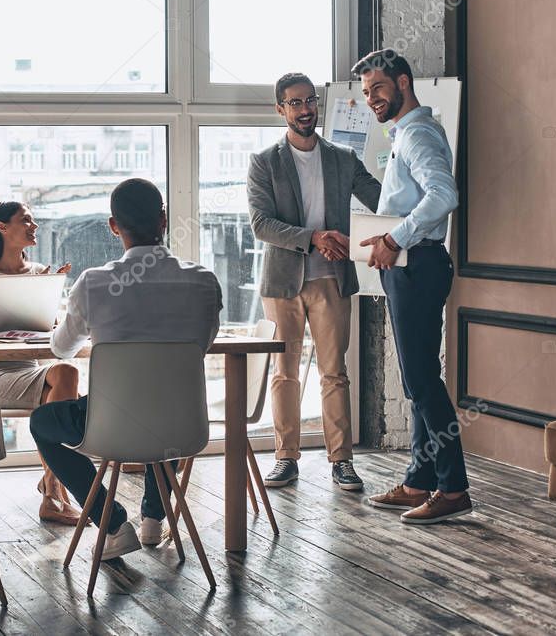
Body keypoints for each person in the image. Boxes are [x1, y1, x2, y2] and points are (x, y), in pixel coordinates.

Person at [29, 178, 222, 560]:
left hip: (109, 422)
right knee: (163, 396)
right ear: (163, 220)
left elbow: (62, 351)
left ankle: (113, 523)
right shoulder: (204, 282)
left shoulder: (94, 283)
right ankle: (153, 517)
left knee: (43, 423)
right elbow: (202, 346)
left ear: (114, 226)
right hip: (183, 422)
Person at [353, 49, 472, 524]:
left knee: (422, 382)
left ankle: (454, 487)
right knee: (416, 379)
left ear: (403, 82)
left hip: (418, 265)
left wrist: (393, 236)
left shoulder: (418, 132)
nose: (372, 99)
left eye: (378, 88)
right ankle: (421, 480)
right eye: (365, 94)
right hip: (411, 267)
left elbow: (445, 195)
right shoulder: (405, 133)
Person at [247, 72, 381, 491]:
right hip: (284, 281)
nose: (306, 110)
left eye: (310, 101)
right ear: (280, 109)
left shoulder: (342, 158)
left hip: (332, 280)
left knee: (334, 372)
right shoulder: (265, 162)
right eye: (296, 103)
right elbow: (261, 224)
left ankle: (341, 460)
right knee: (284, 374)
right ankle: (285, 457)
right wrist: (314, 238)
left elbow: (381, 198)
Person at [0, 200, 83, 525]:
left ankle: (51, 486)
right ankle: (52, 488)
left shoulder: (40, 274)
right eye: (25, 221)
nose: (33, 226)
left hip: (31, 371)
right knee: (65, 375)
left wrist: (50, 302)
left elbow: (52, 334)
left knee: (65, 374)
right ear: (1, 227)